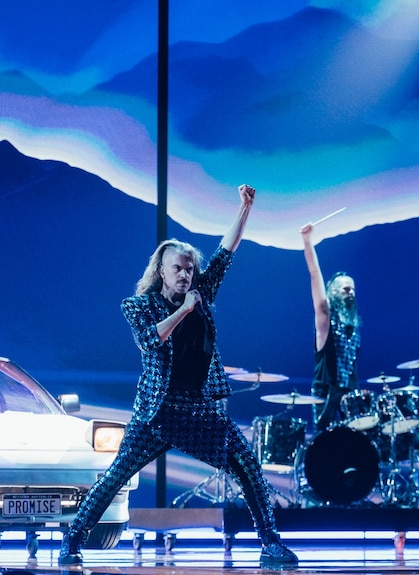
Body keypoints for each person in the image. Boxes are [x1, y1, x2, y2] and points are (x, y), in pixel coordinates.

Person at [59, 185, 298, 568]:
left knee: (247, 465)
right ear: (162, 272)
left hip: (198, 410)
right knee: (115, 476)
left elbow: (226, 251)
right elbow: (150, 341)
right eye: (178, 269)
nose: (186, 275)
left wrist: (244, 208)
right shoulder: (137, 306)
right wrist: (185, 311)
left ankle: (270, 542)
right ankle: (73, 537)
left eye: (190, 269)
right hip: (157, 412)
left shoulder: (201, 291)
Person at [300, 221, 361, 432]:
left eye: (352, 289)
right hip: (326, 391)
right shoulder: (325, 319)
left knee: (355, 438)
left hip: (350, 391)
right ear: (334, 291)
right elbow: (315, 274)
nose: (351, 293)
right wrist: (308, 242)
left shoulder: (353, 326)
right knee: (325, 440)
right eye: (346, 289)